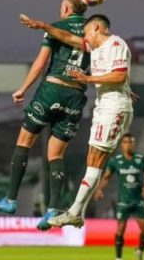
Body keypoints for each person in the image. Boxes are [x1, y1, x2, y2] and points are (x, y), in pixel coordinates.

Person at [20, 13, 133, 229]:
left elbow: (119, 76)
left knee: (95, 160)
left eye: (87, 33)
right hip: (105, 106)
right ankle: (77, 212)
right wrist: (43, 25)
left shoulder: (115, 43)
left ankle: (74, 212)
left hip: (113, 107)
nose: (85, 39)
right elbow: (66, 37)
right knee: (94, 160)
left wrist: (88, 78)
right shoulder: (96, 48)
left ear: (97, 28)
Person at [0, 0, 90, 231]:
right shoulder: (93, 32)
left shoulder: (56, 27)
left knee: (24, 141)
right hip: (76, 96)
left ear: (67, 8)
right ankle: (53, 210)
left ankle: (10, 200)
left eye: (61, 6)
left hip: (52, 89)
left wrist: (23, 88)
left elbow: (41, 63)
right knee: (55, 154)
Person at [94, 133, 144, 260]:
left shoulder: (141, 159)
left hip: (139, 200)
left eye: (131, 142)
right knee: (120, 231)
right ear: (122, 145)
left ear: (134, 144)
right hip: (124, 201)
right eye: (126, 142)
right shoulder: (116, 161)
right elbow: (106, 177)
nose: (128, 144)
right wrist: (99, 189)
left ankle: (140, 251)